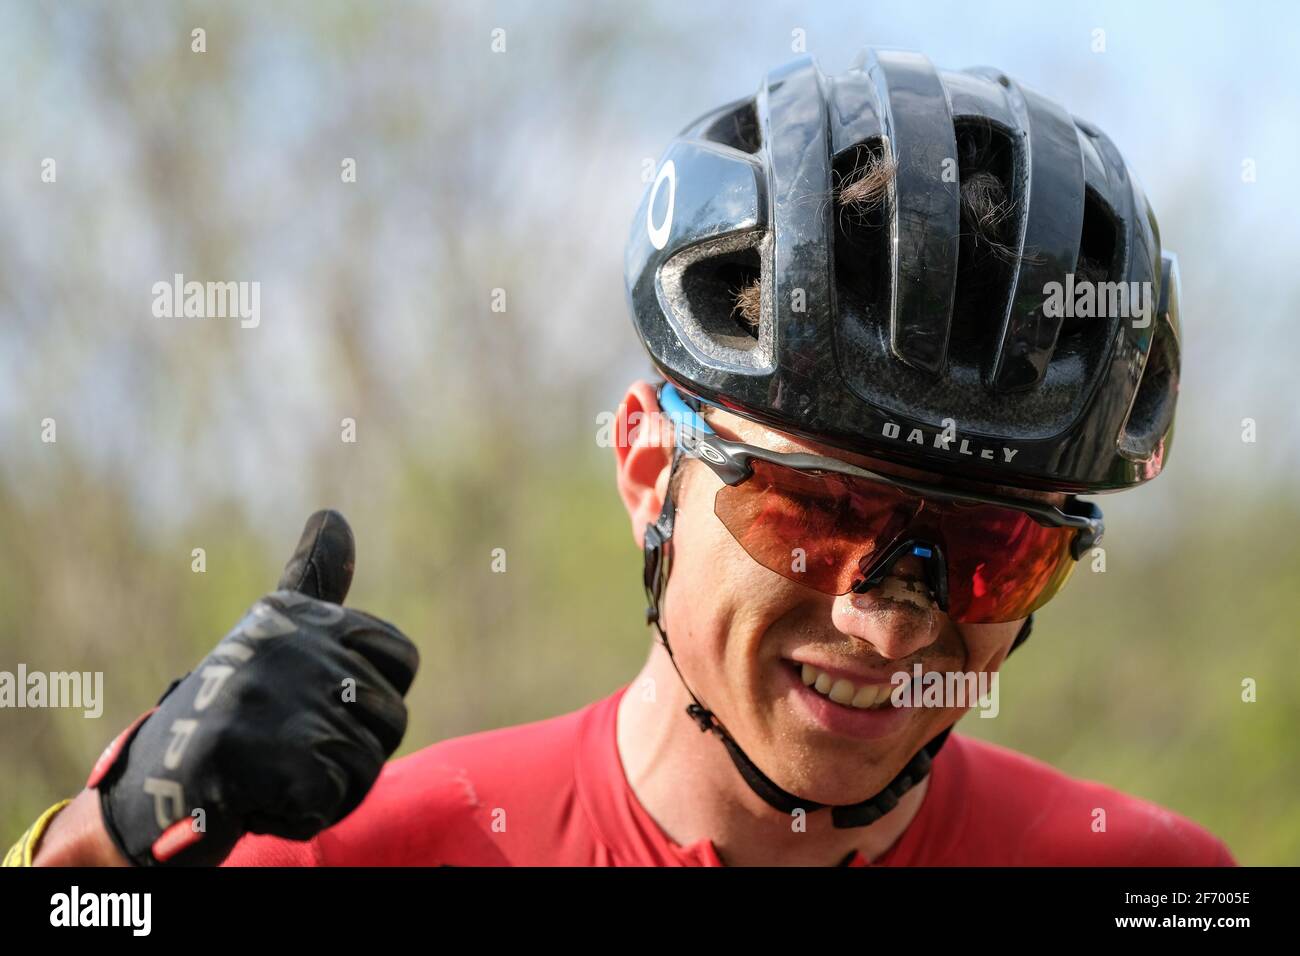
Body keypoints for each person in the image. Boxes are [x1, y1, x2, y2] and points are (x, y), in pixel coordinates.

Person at [8, 48, 1233, 868]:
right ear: (651, 469)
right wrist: (109, 844)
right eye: (815, 511)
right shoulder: (367, 850)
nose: (892, 628)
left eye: (989, 553)